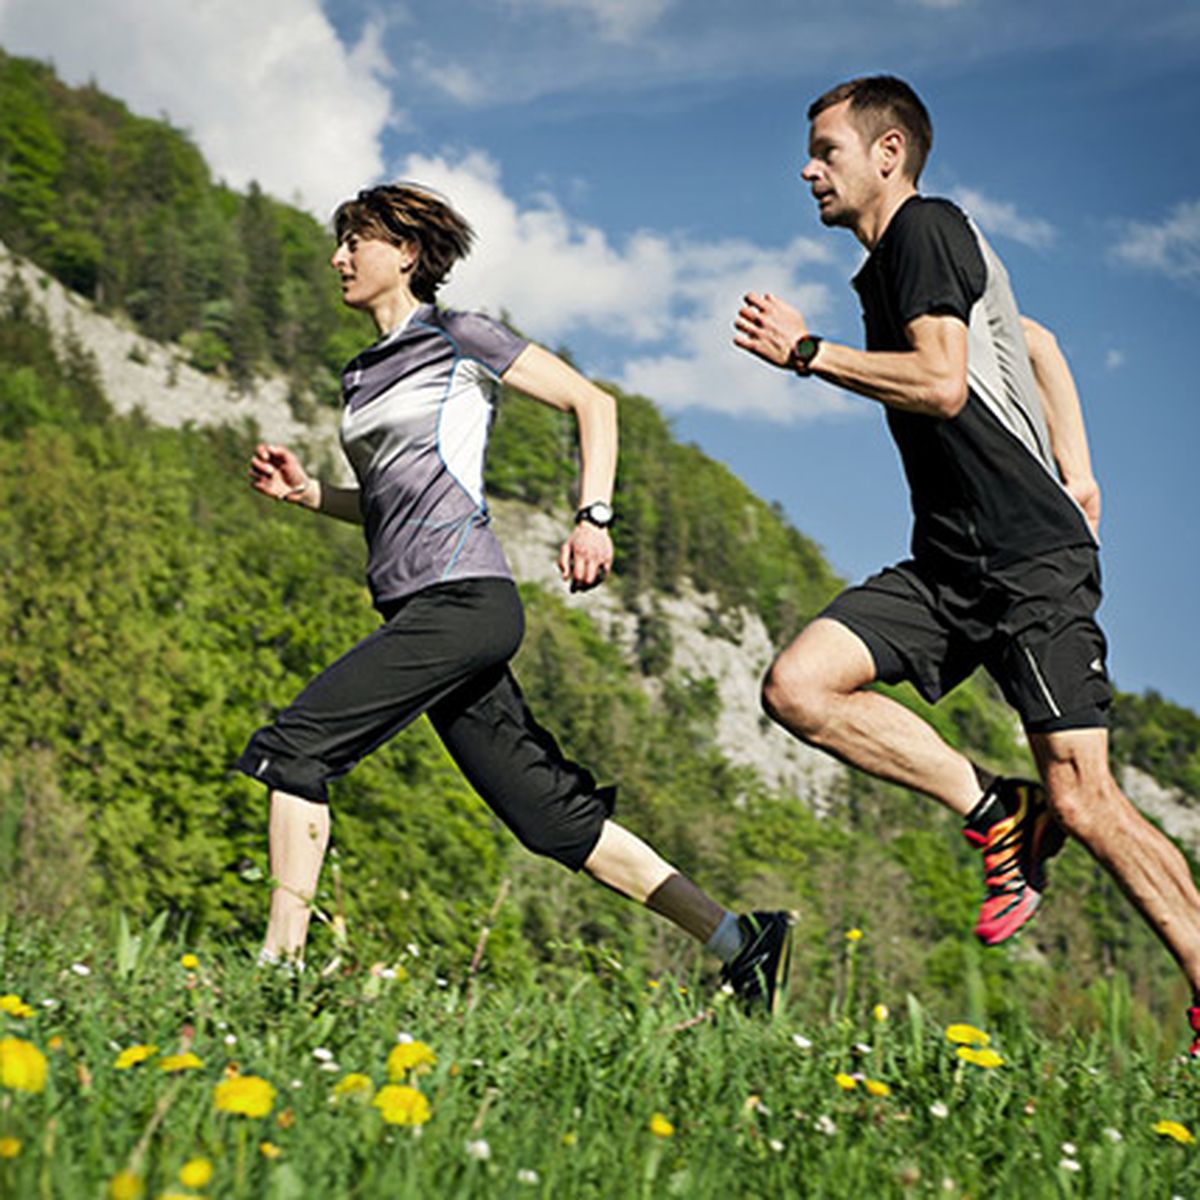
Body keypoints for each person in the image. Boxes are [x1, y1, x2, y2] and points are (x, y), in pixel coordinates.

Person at [236, 183, 790, 1010]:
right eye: (341, 242)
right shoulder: (359, 375)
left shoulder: (460, 336)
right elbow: (389, 502)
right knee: (549, 817)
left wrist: (592, 517)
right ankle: (741, 942)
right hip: (422, 613)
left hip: (465, 603)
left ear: (408, 255)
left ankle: (276, 975)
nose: (338, 258)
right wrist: (311, 493)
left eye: (355, 241)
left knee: (298, 748)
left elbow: (591, 403)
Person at [733, 75, 1200, 1049]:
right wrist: (1081, 470)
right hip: (950, 564)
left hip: (1024, 561)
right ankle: (995, 809)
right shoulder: (897, 265)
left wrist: (808, 353)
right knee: (799, 687)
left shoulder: (925, 229)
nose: (808, 169)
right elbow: (1034, 341)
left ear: (888, 153)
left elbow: (944, 384)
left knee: (1089, 795)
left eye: (826, 150)